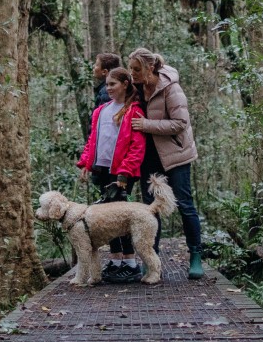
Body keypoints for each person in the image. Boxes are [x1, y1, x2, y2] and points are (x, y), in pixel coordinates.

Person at [128, 48, 203, 279]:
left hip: (175, 154)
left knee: (184, 204)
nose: (132, 74)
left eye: (136, 69)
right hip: (148, 156)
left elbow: (180, 123)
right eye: (130, 69)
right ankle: (152, 259)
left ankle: (196, 255)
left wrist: (147, 125)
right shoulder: (137, 88)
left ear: (150, 68)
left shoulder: (171, 87)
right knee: (149, 208)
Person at [77, 66, 147, 283]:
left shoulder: (133, 111)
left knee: (121, 217)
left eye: (112, 84)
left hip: (122, 172)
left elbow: (137, 146)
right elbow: (93, 140)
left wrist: (125, 172)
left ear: (125, 84)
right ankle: (116, 261)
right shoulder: (101, 111)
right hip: (102, 169)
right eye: (106, 84)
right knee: (107, 218)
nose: (108, 88)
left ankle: (131, 263)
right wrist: (85, 163)